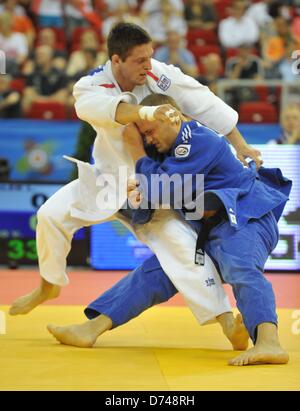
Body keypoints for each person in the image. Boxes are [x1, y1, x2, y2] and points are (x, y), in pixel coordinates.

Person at [10, 23, 262, 333]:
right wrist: (148, 115)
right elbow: (114, 111)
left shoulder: (158, 73)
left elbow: (202, 101)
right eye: (140, 60)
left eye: (150, 57)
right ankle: (49, 285)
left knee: (181, 248)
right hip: (106, 180)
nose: (148, 65)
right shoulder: (90, 86)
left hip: (153, 186)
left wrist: (240, 144)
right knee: (50, 215)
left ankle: (227, 322)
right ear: (117, 61)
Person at [47, 94, 291, 366]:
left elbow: (160, 190)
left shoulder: (198, 140)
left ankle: (270, 343)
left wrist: (137, 151)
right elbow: (150, 201)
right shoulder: (165, 154)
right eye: (144, 136)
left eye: (150, 131)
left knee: (240, 266)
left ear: (170, 116)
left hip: (246, 215)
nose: (149, 140)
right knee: (158, 271)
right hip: (210, 228)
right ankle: (91, 329)